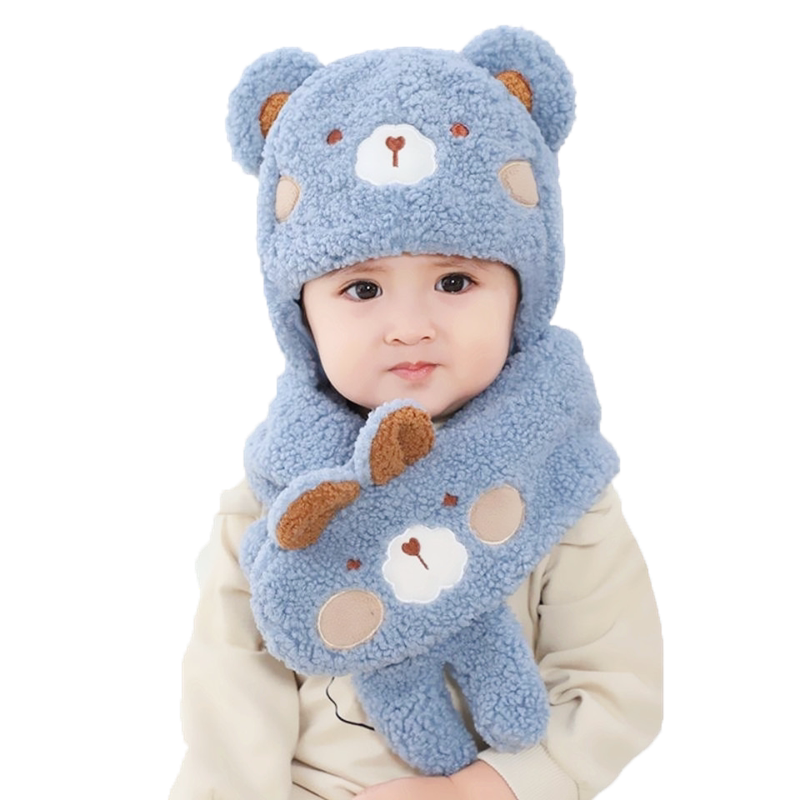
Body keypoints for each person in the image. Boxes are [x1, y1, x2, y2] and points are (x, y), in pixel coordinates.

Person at [170, 26, 664, 800]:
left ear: (523, 295)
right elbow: (229, 714)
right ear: (299, 314)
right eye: (362, 289)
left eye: (455, 282)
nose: (409, 326)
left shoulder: (561, 485)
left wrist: (485, 788)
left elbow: (615, 686)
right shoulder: (272, 501)